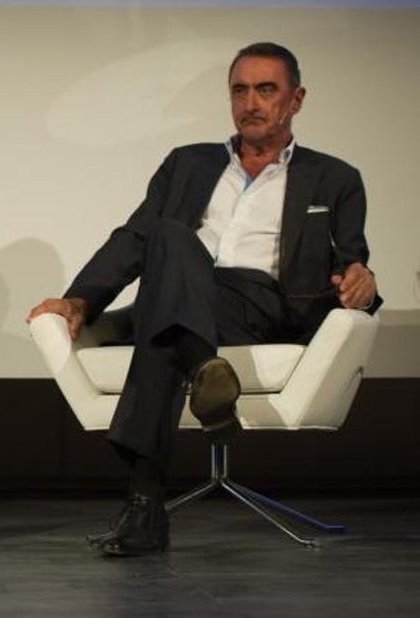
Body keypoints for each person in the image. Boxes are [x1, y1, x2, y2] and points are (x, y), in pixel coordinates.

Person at [28, 42, 380, 557]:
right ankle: (202, 368)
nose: (250, 103)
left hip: (261, 306)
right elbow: (135, 237)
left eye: (266, 90)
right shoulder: (186, 163)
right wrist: (79, 299)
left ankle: (145, 504)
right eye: (240, 90)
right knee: (168, 241)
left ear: (296, 99)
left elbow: (352, 261)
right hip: (183, 293)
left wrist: (362, 279)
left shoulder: (335, 177)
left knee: (163, 309)